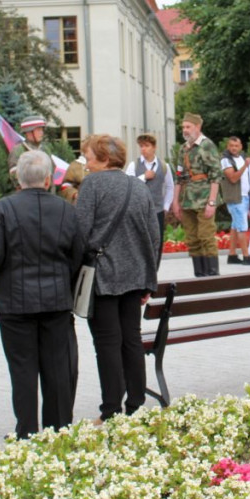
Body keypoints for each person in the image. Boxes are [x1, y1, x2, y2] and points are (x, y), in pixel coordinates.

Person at [0, 151, 83, 438]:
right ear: (49, 179)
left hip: (15, 304)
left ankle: (26, 432)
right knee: (57, 370)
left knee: (22, 370)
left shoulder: (5, 209)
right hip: (56, 302)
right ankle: (58, 430)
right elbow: (77, 256)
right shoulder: (67, 210)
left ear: (19, 179)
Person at [76, 135, 159, 423]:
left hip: (104, 276)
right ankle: (136, 404)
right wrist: (150, 278)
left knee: (107, 344)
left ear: (103, 158)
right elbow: (154, 236)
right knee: (131, 340)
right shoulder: (138, 187)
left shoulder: (92, 185)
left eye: (88, 158)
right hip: (135, 275)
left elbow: (81, 232)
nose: (86, 164)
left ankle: (110, 410)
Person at [171, 113, 223, 277]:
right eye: (183, 127)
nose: (185, 130)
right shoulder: (183, 148)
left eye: (188, 127)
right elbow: (179, 177)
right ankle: (200, 275)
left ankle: (212, 275)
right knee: (192, 239)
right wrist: (175, 202)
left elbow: (216, 175)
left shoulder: (207, 146)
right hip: (187, 200)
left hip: (204, 198)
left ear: (198, 127)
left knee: (206, 237)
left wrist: (212, 202)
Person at [124, 134, 174, 267]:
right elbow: (128, 185)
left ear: (154, 147)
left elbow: (170, 187)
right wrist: (144, 177)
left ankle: (154, 272)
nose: (143, 149)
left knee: (157, 242)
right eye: (141, 146)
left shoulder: (164, 166)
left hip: (157, 210)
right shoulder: (133, 165)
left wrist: (166, 206)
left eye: (146, 146)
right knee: (139, 241)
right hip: (138, 210)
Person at [220, 136, 250, 266]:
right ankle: (246, 256)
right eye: (231, 145)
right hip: (236, 198)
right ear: (228, 146)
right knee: (242, 227)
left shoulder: (242, 158)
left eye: (236, 145)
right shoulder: (226, 160)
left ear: (241, 146)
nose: (234, 148)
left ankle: (232, 255)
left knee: (235, 226)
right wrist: (245, 166)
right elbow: (233, 178)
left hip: (244, 196)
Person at [8, 115, 49, 181]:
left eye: (42, 130)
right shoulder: (18, 150)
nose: (42, 133)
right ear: (29, 132)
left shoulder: (45, 150)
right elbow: (14, 177)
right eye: (38, 130)